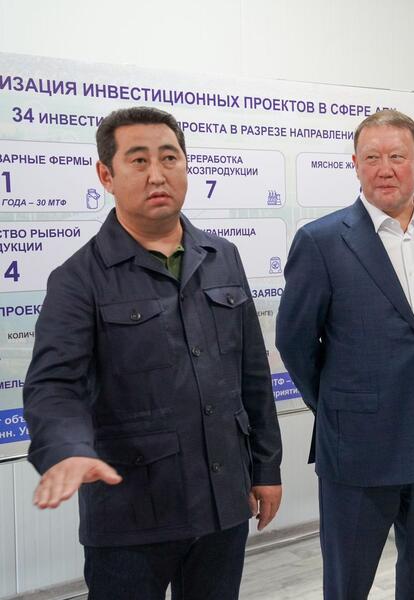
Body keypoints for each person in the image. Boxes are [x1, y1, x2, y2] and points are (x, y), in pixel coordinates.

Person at [23, 106, 283, 600]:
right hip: (132, 516)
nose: (157, 174)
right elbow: (53, 387)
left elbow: (252, 375)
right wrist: (66, 448)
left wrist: (266, 469)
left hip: (223, 503)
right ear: (106, 175)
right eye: (138, 160)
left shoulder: (223, 257)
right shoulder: (78, 279)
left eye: (169, 157)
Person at [275, 109, 414, 600]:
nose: (385, 169)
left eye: (397, 157)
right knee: (349, 580)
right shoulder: (321, 241)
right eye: (372, 158)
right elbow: (295, 341)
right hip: (357, 443)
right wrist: (339, 405)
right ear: (355, 165)